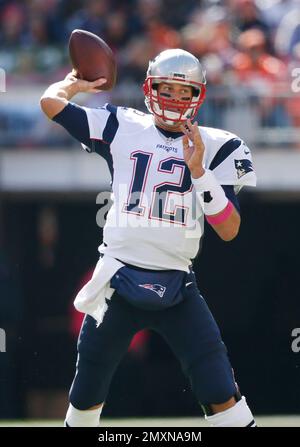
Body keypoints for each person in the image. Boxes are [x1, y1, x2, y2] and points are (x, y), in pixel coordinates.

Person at [40, 48, 257, 427]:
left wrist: (200, 172)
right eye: (165, 89)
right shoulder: (123, 124)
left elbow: (229, 228)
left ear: (198, 96)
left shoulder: (221, 145)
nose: (173, 99)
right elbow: (51, 104)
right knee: (86, 396)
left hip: (178, 285)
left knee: (221, 391)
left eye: (183, 91)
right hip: (116, 281)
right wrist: (73, 84)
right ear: (149, 89)